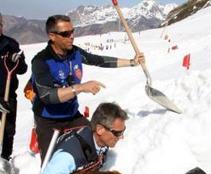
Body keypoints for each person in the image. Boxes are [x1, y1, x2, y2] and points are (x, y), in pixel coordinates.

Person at [31, 14, 144, 163]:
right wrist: (80, 88)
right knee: (50, 164)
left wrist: (131, 62)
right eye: (66, 33)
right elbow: (47, 96)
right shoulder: (41, 61)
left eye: (73, 31)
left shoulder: (75, 53)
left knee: (94, 142)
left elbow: (99, 60)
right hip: (48, 120)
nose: (71, 36)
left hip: (72, 115)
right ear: (52, 36)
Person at [34, 102, 128, 174]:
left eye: (122, 131)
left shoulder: (102, 140)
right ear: (99, 130)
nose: (121, 137)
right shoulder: (67, 158)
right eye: (117, 133)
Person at [0, 12, 28, 160]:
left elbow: (23, 69)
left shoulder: (10, 44)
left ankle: (4, 161)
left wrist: (15, 62)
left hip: (8, 96)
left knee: (8, 131)